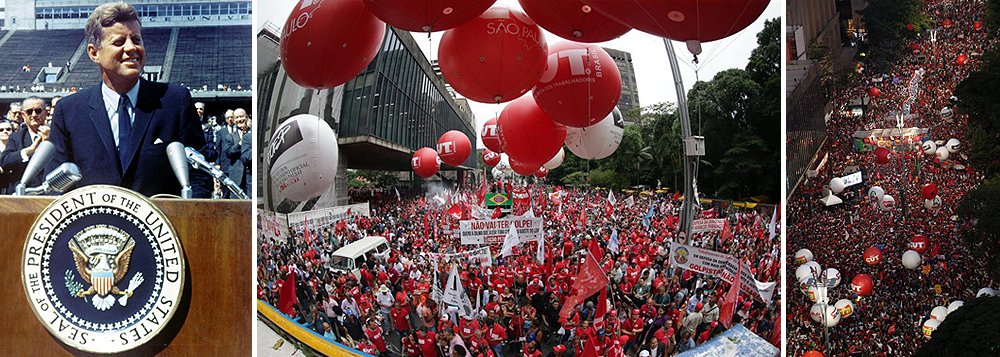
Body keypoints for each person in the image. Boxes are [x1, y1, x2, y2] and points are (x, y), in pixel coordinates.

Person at [47, 2, 211, 198]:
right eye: (119, 42)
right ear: (94, 53)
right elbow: (56, 187)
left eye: (136, 39)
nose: (131, 48)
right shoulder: (69, 111)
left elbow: (200, 176)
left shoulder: (175, 101)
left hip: (162, 226)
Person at [1, 97, 49, 193]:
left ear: (46, 113)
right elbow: (4, 162)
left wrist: (49, 143)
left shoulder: (57, 135)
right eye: (29, 112)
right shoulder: (16, 138)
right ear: (23, 115)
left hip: (51, 192)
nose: (34, 115)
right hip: (23, 193)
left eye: (38, 111)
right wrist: (30, 150)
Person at [0, 119, 17, 193]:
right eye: (1, 130)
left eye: (8, 129)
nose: (5, 131)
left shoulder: (18, 148)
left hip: (12, 186)